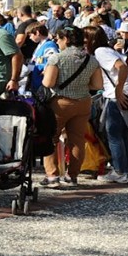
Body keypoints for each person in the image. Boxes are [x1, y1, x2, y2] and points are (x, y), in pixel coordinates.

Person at [39, 27, 102, 187]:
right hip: (83, 102)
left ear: (66, 39)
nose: (57, 42)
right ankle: (72, 176)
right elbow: (97, 84)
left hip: (60, 103)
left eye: (58, 39)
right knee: (77, 140)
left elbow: (48, 83)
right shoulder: (91, 60)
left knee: (51, 138)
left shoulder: (57, 58)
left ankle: (52, 176)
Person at [85, 25, 128, 185]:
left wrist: (118, 90)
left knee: (114, 134)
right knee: (123, 134)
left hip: (116, 95)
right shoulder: (108, 49)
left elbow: (122, 67)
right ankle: (125, 169)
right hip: (126, 92)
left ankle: (120, 171)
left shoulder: (100, 52)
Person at [26, 23, 58, 93]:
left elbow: (53, 60)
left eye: (30, 35)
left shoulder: (49, 45)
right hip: (36, 81)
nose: (30, 38)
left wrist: (46, 70)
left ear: (37, 33)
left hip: (42, 82)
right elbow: (33, 61)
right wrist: (27, 71)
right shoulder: (40, 45)